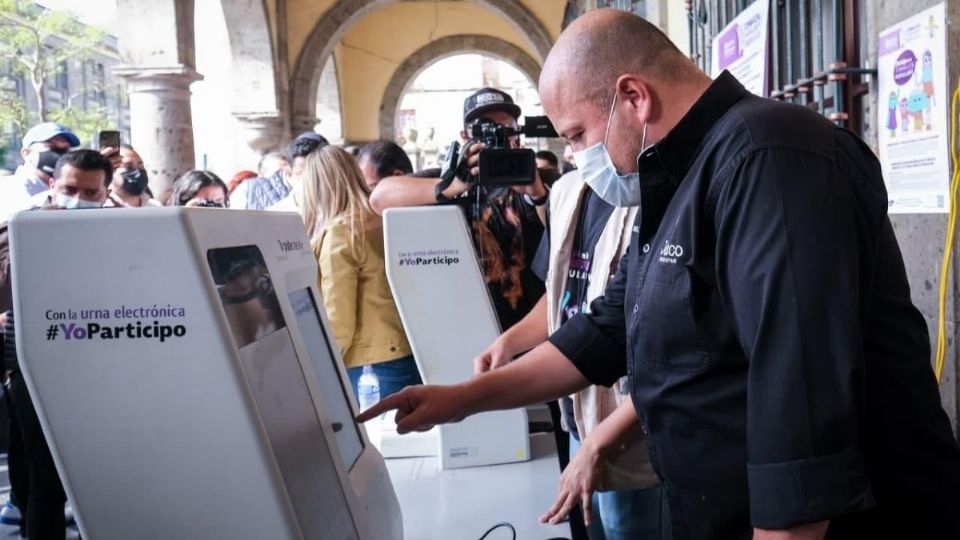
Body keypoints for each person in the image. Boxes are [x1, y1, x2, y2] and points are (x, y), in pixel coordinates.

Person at [359, 9, 960, 540]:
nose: (576, 158)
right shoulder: (675, 180)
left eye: (577, 135)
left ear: (633, 97)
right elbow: (607, 328)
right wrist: (460, 401)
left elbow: (800, 400)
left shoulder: (770, 159)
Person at [475, 166, 665, 540]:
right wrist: (509, 342)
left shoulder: (655, 197)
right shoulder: (570, 191)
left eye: (578, 133)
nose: (576, 148)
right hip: (580, 417)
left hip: (633, 428)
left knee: (631, 526)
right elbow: (562, 295)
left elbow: (663, 351)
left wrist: (598, 444)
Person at [370, 87, 549, 332]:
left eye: (505, 130)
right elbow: (379, 197)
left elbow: (564, 236)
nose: (497, 139)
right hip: (465, 327)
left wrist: (538, 193)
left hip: (531, 328)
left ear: (518, 134)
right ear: (466, 136)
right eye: (486, 131)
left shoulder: (537, 179)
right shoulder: (450, 181)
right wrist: (452, 186)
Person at [4, 150, 112, 539]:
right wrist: (30, 239)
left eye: (90, 192)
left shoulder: (122, 229)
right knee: (41, 476)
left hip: (99, 366)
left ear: (105, 193)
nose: (78, 199)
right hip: (31, 369)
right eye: (69, 189)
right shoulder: (19, 227)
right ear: (52, 185)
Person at [303, 145, 417, 399]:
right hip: (405, 350)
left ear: (316, 188)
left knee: (374, 436)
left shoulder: (341, 233)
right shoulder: (382, 218)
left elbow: (338, 320)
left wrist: (316, 369)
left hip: (370, 365)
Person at [0, 122, 78, 221]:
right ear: (27, 154)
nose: (61, 155)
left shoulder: (73, 188)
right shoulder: (5, 188)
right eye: (53, 148)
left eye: (65, 150)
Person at [230, 133, 327, 210]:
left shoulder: (330, 193)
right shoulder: (249, 190)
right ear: (286, 165)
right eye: (303, 172)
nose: (313, 179)